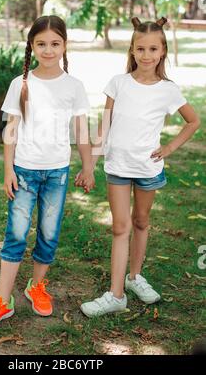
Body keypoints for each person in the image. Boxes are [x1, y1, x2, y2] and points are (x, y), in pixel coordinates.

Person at [0, 15, 95, 329]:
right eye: (41, 43)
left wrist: (89, 165)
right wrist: (7, 171)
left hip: (57, 173)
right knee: (15, 236)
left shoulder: (74, 86)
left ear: (65, 45)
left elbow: (81, 130)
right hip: (24, 172)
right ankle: (3, 300)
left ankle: (36, 286)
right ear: (32, 46)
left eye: (55, 43)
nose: (48, 49)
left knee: (49, 234)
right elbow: (11, 130)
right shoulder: (21, 84)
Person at [77, 17, 200, 317]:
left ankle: (134, 278)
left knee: (141, 222)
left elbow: (193, 121)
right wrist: (90, 164)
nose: (146, 55)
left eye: (153, 49)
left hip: (148, 169)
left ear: (162, 52)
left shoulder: (168, 89)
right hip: (118, 167)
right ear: (132, 50)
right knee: (121, 227)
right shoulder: (117, 84)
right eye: (140, 48)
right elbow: (103, 128)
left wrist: (169, 148)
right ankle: (116, 294)